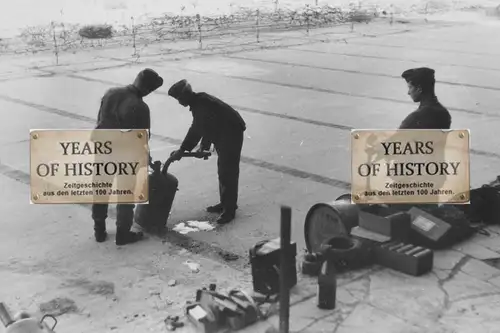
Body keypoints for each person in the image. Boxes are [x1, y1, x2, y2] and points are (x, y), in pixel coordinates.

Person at [92, 68, 163, 245]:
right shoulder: (140, 107)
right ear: (147, 89)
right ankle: (122, 234)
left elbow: (100, 120)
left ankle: (99, 231)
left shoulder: (110, 93)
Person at [167, 79, 246, 224]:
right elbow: (208, 124)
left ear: (185, 95)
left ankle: (229, 210)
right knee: (223, 170)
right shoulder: (199, 101)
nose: (179, 102)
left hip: (231, 133)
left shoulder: (201, 104)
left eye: (179, 99)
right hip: (224, 131)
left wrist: (182, 150)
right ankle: (225, 203)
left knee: (228, 171)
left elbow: (196, 129)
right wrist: (204, 145)